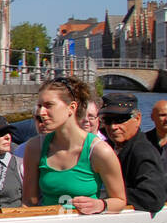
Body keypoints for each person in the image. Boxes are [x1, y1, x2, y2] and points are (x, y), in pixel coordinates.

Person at [21, 77, 126, 213]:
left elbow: (120, 201)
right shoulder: (35, 147)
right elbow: (28, 202)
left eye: (49, 105)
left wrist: (100, 205)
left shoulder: (99, 151)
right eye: (40, 106)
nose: (41, 113)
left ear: (71, 108)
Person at [100, 92, 166, 215]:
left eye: (120, 119)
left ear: (137, 118)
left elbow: (153, 198)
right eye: (108, 120)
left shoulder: (143, 151)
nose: (114, 126)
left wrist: (106, 198)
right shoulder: (106, 146)